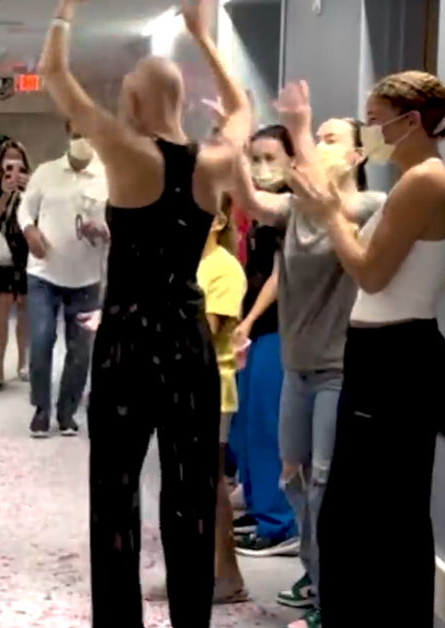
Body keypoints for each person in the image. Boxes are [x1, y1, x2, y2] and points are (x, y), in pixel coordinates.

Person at [37, 0, 253, 623]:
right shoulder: (211, 163)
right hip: (187, 338)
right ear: (182, 101)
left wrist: (63, 16)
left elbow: (55, 76)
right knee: (189, 495)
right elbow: (241, 112)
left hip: (129, 336)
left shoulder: (123, 149)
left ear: (132, 102)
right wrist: (203, 37)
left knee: (115, 491)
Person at [282, 72, 445, 627]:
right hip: (379, 357)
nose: (370, 131)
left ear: (410, 121)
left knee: (375, 520)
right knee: (362, 517)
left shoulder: (426, 182)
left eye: (376, 118)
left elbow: (369, 273)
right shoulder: (414, 180)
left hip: (397, 361)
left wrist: (328, 212)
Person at [230, 106, 387, 626]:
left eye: (331, 138)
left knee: (325, 486)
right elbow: (251, 198)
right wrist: (235, 142)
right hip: (297, 367)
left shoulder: (370, 206)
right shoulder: (295, 209)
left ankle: (332, 600)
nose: (318, 145)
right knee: (292, 479)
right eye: (315, 137)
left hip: (337, 368)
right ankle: (316, 577)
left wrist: (301, 137)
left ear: (357, 155)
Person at [226, 125, 299, 560]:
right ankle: (258, 509)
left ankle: (280, 523)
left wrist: (249, 319)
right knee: (249, 423)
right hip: (254, 328)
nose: (261, 167)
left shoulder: (293, 208)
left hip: (276, 327)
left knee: (270, 428)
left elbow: (280, 274)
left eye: (271, 158)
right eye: (254, 158)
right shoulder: (261, 210)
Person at [18, 120, 108, 437]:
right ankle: (41, 409)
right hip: (44, 275)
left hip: (85, 279)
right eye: (76, 133)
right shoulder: (46, 172)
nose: (82, 139)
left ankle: (67, 412)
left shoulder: (106, 178)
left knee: (80, 350)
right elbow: (24, 210)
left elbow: (118, 225)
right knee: (41, 341)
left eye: (88, 133)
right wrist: (30, 231)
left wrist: (103, 232)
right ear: (68, 134)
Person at [196, 198, 249, 602]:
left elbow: (205, 330)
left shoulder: (225, 268)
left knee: (209, 484)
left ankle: (228, 576)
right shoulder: (182, 262)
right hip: (178, 381)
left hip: (211, 385)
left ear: (218, 220)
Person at [0, 140, 32, 389]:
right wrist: (5, 193)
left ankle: (23, 362)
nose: (13, 165)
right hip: (2, 256)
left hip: (28, 255)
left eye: (17, 160)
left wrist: (27, 189)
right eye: (8, 160)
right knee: (1, 310)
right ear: (1, 164)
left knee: (26, 310)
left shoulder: (33, 187)